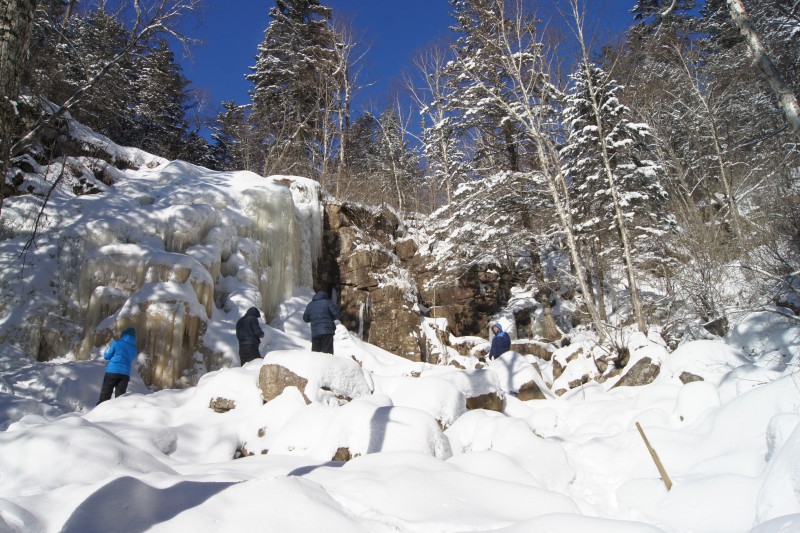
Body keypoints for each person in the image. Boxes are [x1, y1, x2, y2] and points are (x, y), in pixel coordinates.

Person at [97, 327, 138, 404]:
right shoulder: (134, 349)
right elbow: (131, 358)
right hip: (125, 374)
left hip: (112, 371)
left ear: (123, 335)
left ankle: (100, 410)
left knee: (105, 396)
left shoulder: (116, 343)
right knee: (120, 398)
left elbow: (106, 356)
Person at [303, 290, 341, 354]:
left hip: (315, 333)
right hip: (327, 332)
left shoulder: (310, 305)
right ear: (325, 296)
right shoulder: (328, 302)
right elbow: (337, 314)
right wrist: (330, 318)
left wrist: (314, 318)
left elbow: (305, 319)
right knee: (327, 354)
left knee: (316, 354)